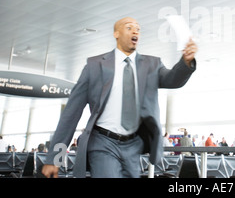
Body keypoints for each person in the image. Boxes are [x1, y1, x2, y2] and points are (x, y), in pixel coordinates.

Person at [42, 17, 197, 178]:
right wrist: (55, 158)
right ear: (116, 33)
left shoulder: (152, 65)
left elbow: (172, 80)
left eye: (138, 28)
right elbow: (70, 115)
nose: (135, 31)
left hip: (133, 145)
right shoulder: (94, 66)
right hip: (103, 142)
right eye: (129, 27)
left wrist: (186, 62)